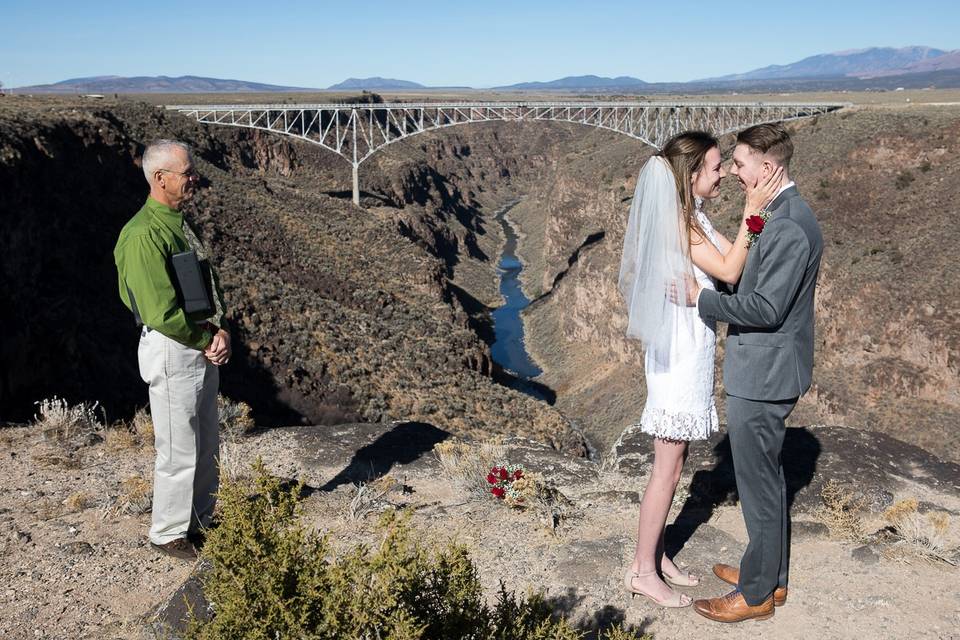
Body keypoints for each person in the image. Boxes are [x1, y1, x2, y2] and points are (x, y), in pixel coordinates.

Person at [617, 131, 781, 608]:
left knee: (677, 461)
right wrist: (756, 205)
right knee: (666, 469)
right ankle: (643, 570)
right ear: (691, 177)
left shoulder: (695, 218)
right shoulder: (682, 226)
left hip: (690, 350)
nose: (724, 173)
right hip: (678, 357)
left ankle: (658, 552)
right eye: (715, 167)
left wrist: (757, 215)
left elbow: (737, 263)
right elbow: (731, 273)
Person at [687, 123, 823, 623]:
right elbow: (753, 268)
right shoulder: (777, 213)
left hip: (765, 373)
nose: (736, 174)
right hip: (767, 367)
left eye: (740, 164)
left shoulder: (788, 223)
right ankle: (773, 576)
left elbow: (765, 307)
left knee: (758, 485)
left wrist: (700, 298)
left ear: (768, 168)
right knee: (768, 477)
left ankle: (756, 593)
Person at [114, 139, 232, 560]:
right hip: (173, 346)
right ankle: (167, 532)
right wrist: (205, 339)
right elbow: (160, 311)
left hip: (196, 340)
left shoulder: (175, 222)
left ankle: (200, 520)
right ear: (160, 178)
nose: (194, 178)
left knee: (204, 440)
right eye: (187, 173)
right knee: (178, 443)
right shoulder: (144, 233)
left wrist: (217, 331)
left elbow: (198, 289)